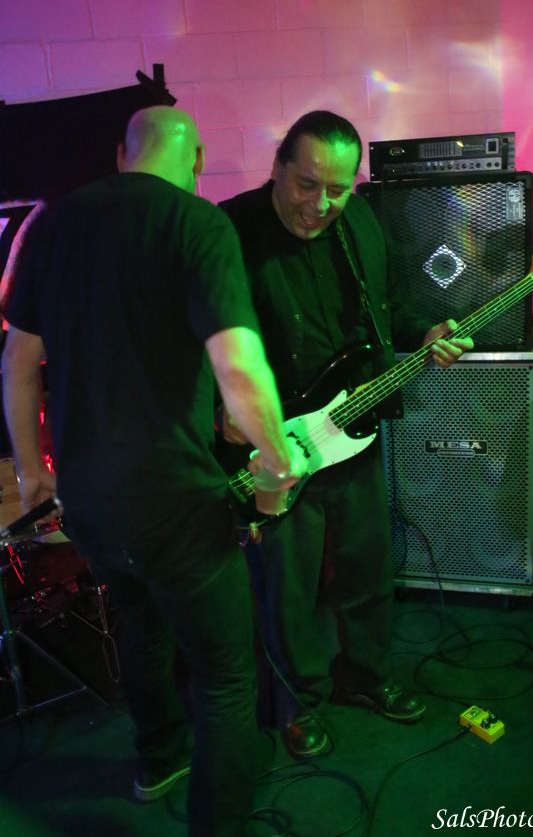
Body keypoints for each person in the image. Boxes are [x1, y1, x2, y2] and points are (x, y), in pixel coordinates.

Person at [1, 106, 305, 837]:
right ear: (196, 161)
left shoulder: (51, 224)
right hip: (176, 503)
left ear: (121, 154)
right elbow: (239, 365)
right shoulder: (198, 224)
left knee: (141, 624)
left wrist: (32, 472)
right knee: (226, 676)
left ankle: (158, 759)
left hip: (90, 501)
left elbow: (16, 362)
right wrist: (277, 462)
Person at [219, 110, 474, 760]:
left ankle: (364, 676)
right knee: (289, 585)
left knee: (367, 566)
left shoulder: (359, 220)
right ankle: (297, 702)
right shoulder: (229, 230)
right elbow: (193, 332)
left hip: (354, 429)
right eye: (307, 185)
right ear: (277, 167)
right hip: (277, 444)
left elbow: (385, 308)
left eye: (337, 189)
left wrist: (425, 331)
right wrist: (220, 408)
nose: (321, 204)